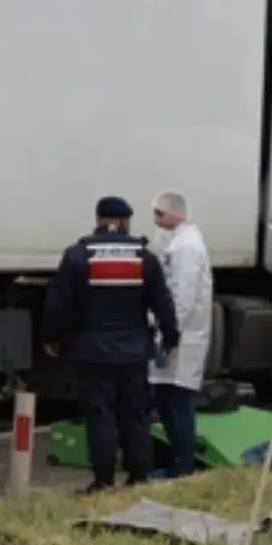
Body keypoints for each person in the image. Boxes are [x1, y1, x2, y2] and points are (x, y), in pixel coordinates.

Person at [42, 196, 180, 493]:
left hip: (93, 350)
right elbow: (162, 302)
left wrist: (52, 337)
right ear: (126, 221)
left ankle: (103, 479)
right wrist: (171, 339)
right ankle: (139, 475)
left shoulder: (79, 255)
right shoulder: (143, 257)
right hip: (133, 351)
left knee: (99, 413)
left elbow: (58, 303)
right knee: (135, 412)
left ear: (99, 219)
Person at [146, 191, 213, 478]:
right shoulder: (176, 242)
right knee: (166, 399)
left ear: (174, 214)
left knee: (179, 401)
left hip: (183, 338)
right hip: (176, 334)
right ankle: (176, 460)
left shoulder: (187, 248)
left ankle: (183, 465)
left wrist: (169, 337)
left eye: (159, 214)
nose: (156, 221)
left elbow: (182, 299)